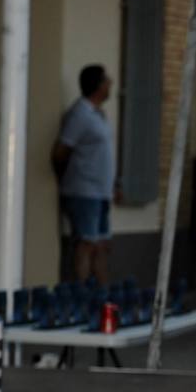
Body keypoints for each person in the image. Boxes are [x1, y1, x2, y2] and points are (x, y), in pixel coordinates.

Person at [52, 64, 117, 283]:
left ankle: (102, 294)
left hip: (101, 191)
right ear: (97, 85)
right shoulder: (80, 114)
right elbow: (61, 151)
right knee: (86, 243)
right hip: (84, 190)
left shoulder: (98, 114)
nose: (111, 84)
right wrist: (69, 180)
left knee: (101, 245)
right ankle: (81, 293)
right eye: (107, 80)